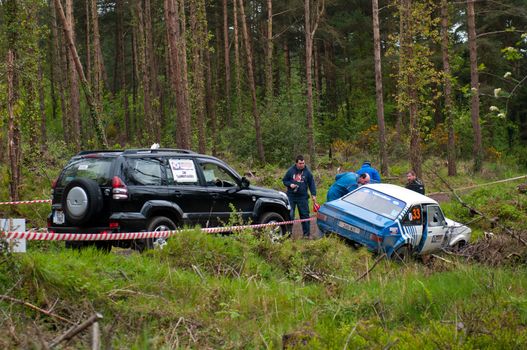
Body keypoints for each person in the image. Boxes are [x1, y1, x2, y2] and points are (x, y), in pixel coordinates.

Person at [282, 155, 317, 238]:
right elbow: (284, 180)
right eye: (300, 163)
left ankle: (306, 235)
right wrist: (290, 184)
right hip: (291, 196)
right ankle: (288, 234)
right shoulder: (291, 171)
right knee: (290, 215)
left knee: (305, 215)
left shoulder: (307, 172)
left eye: (303, 163)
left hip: (303, 197)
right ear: (296, 163)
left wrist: (313, 194)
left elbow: (311, 184)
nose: (302, 165)